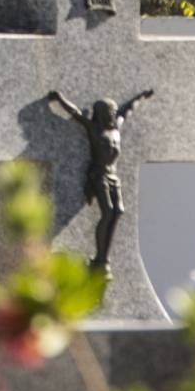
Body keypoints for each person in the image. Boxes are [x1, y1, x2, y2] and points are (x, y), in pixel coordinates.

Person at [45, 89, 155, 268]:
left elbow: (127, 109)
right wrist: (59, 98)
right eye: (107, 113)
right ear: (100, 115)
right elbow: (75, 113)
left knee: (118, 211)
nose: (111, 116)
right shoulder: (95, 129)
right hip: (99, 175)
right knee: (108, 211)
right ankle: (100, 258)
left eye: (112, 112)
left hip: (113, 176)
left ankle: (103, 254)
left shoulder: (116, 129)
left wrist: (141, 96)